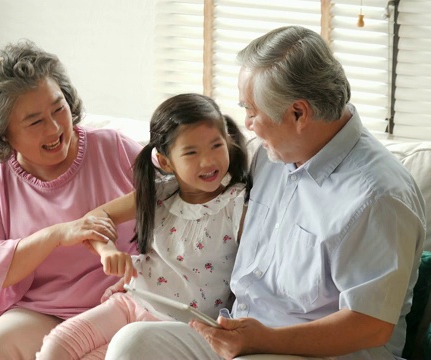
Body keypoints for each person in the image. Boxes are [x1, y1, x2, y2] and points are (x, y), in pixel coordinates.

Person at [104, 25, 426, 360]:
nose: (247, 124)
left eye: (252, 111)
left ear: (298, 113)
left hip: (320, 352)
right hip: (243, 334)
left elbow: (370, 325)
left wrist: (263, 340)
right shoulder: (273, 155)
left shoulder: (379, 196)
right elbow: (199, 205)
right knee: (134, 343)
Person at [0, 40, 143, 360]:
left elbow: (176, 201)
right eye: (35, 121)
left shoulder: (114, 148)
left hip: (121, 306)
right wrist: (58, 235)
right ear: (4, 133)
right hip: (43, 312)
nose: (56, 127)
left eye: (58, 108)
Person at [36, 93, 250, 360]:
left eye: (216, 146)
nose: (208, 161)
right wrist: (107, 251)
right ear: (164, 161)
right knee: (56, 348)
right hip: (131, 300)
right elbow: (95, 218)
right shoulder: (158, 193)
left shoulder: (237, 204)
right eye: (191, 152)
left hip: (177, 329)